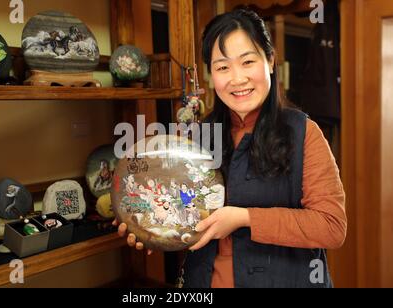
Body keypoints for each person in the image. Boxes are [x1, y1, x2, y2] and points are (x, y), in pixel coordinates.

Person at [113, 9, 346, 288]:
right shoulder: (195, 140)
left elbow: (331, 227)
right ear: (211, 74)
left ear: (270, 61)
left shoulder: (303, 132)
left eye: (248, 62)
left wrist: (244, 218)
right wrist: (152, 229)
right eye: (223, 67)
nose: (237, 79)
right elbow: (180, 212)